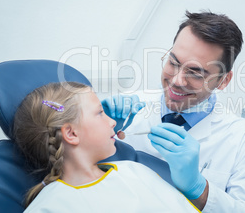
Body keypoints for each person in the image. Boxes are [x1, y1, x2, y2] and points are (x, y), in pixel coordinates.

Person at [103, 11, 245, 212]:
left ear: (224, 81)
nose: (177, 81)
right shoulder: (129, 107)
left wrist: (197, 188)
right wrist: (100, 136)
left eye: (195, 73)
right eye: (173, 62)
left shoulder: (240, 136)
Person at [13, 82, 200, 212]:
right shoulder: (50, 206)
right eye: (100, 113)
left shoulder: (135, 170)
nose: (112, 122)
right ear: (71, 134)